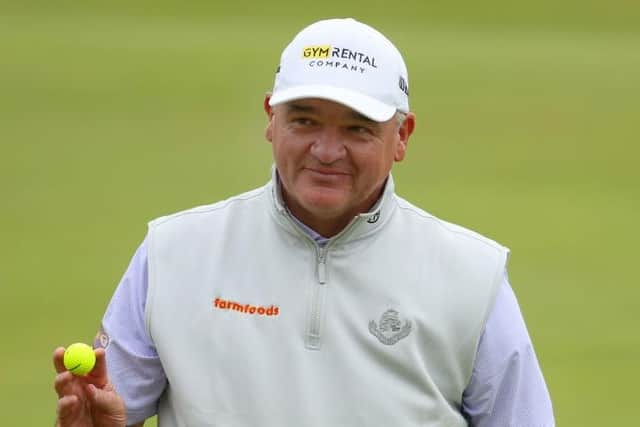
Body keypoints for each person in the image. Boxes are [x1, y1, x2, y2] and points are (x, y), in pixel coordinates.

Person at [53, 18, 554, 427]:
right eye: (305, 120)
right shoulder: (172, 252)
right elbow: (107, 413)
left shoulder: (472, 274)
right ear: (271, 118)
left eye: (358, 129)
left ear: (403, 135)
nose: (327, 151)